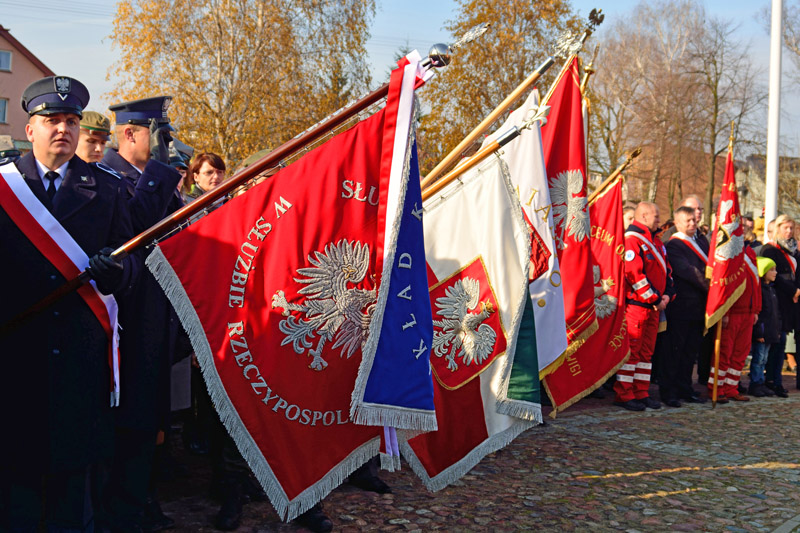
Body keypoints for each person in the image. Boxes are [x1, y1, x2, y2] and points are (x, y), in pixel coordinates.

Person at [0, 75, 137, 531]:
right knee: (14, 488)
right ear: (31, 127)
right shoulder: (5, 188)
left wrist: (118, 272)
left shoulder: (109, 188)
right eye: (51, 120)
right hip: (17, 356)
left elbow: (135, 262)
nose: (63, 129)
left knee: (72, 496)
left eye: (71, 121)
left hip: (80, 360)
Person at [99, 96, 186, 531]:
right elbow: (134, 231)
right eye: (159, 136)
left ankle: (142, 498)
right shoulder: (110, 177)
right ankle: (123, 508)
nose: (165, 146)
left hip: (158, 319)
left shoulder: (153, 178)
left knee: (152, 420)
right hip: (126, 322)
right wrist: (159, 174)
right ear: (130, 133)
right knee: (130, 423)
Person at [615, 202, 674, 411]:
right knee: (632, 351)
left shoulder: (656, 242)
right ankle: (624, 393)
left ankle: (641, 392)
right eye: (656, 216)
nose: (659, 219)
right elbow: (634, 275)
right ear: (644, 216)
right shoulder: (632, 240)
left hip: (654, 307)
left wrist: (667, 296)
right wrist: (655, 299)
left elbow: (667, 271)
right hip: (638, 306)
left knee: (646, 353)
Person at [659, 206, 709, 407]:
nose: (692, 224)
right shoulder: (675, 245)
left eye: (694, 221)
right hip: (681, 307)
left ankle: (685, 387)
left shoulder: (701, 242)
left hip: (698, 307)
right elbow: (689, 272)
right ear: (677, 222)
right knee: (674, 350)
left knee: (690, 351)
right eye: (687, 221)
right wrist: (711, 286)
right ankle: (668, 390)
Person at [711, 247, 761, 402]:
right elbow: (724, 282)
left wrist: (756, 309)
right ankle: (717, 388)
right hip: (732, 312)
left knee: (740, 353)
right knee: (725, 352)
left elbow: (756, 284)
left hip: (748, 312)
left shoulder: (751, 253)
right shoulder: (728, 250)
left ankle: (731, 388)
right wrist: (724, 311)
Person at [759, 215, 800, 398]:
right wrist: (793, 290)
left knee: (782, 342)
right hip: (777, 300)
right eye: (785, 228)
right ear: (778, 229)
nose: (789, 231)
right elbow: (774, 276)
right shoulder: (770, 250)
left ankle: (777, 380)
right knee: (775, 343)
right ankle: (771, 380)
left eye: (791, 228)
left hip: (792, 302)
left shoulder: (794, 251)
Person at [750, 257, 779, 397]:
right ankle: (755, 383)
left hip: (770, 331)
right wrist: (758, 333)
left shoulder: (771, 290)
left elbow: (775, 313)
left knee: (764, 359)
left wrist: (777, 330)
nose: (775, 273)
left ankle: (761, 382)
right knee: (758, 358)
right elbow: (760, 314)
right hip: (762, 332)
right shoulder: (760, 290)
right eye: (771, 270)